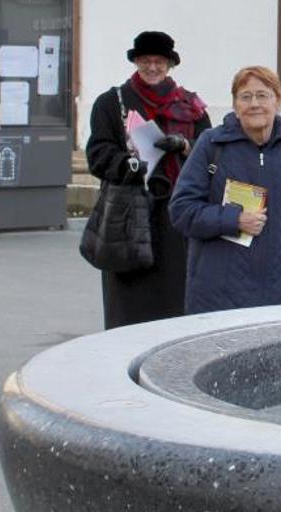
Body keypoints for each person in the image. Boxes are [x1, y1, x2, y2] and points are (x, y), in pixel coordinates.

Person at [170, 66, 281, 314]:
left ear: (278, 101)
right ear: (235, 105)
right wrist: (234, 219)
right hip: (221, 296)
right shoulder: (212, 144)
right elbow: (181, 210)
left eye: (263, 95)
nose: (254, 103)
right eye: (245, 97)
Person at [86, 31, 211, 329]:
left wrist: (184, 146)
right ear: (136, 62)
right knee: (130, 304)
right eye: (145, 61)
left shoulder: (192, 107)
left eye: (158, 61)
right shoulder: (110, 102)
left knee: (176, 300)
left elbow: (211, 156)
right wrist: (130, 163)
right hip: (129, 213)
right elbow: (98, 153)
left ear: (169, 64)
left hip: (177, 216)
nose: (152, 67)